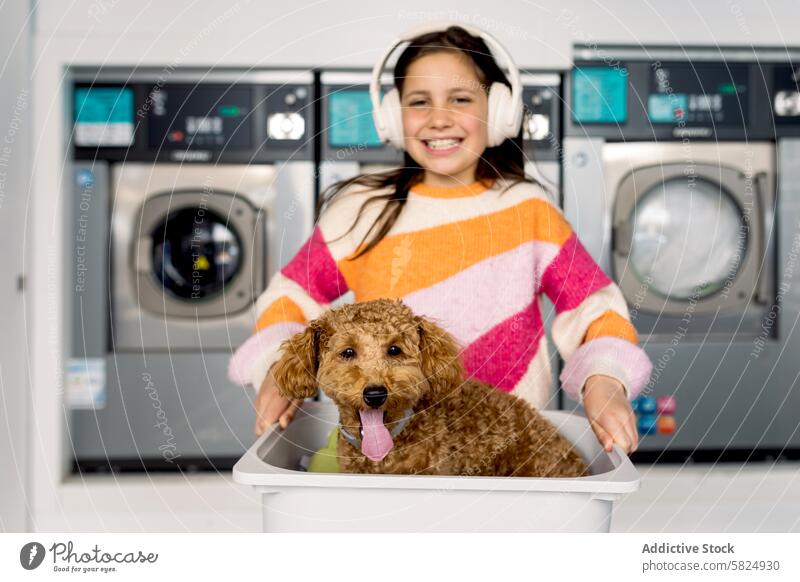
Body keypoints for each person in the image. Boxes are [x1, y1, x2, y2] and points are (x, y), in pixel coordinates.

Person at [228, 23, 652, 455]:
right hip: (393, 451)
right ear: (393, 117)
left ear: (499, 109)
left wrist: (604, 380)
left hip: (504, 450)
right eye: (419, 102)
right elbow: (290, 297)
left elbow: (596, 311)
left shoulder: (530, 213)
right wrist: (278, 372)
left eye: (460, 99)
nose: (438, 118)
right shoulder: (361, 212)